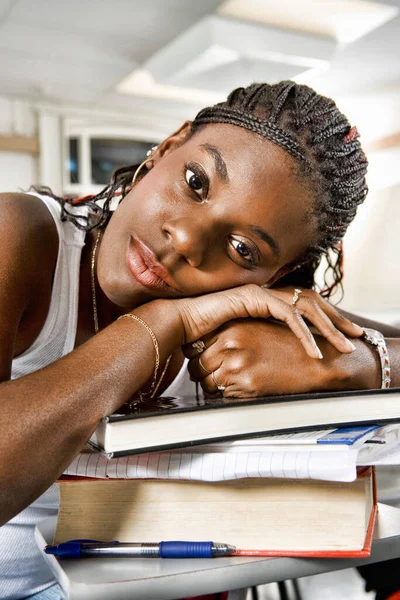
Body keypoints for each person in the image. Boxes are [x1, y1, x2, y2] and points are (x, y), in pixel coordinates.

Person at [0, 80, 398, 600]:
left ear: (275, 280)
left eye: (242, 247)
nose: (186, 240)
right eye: (196, 181)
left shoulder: (253, 304)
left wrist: (351, 364)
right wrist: (163, 326)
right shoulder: (20, 234)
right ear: (168, 147)